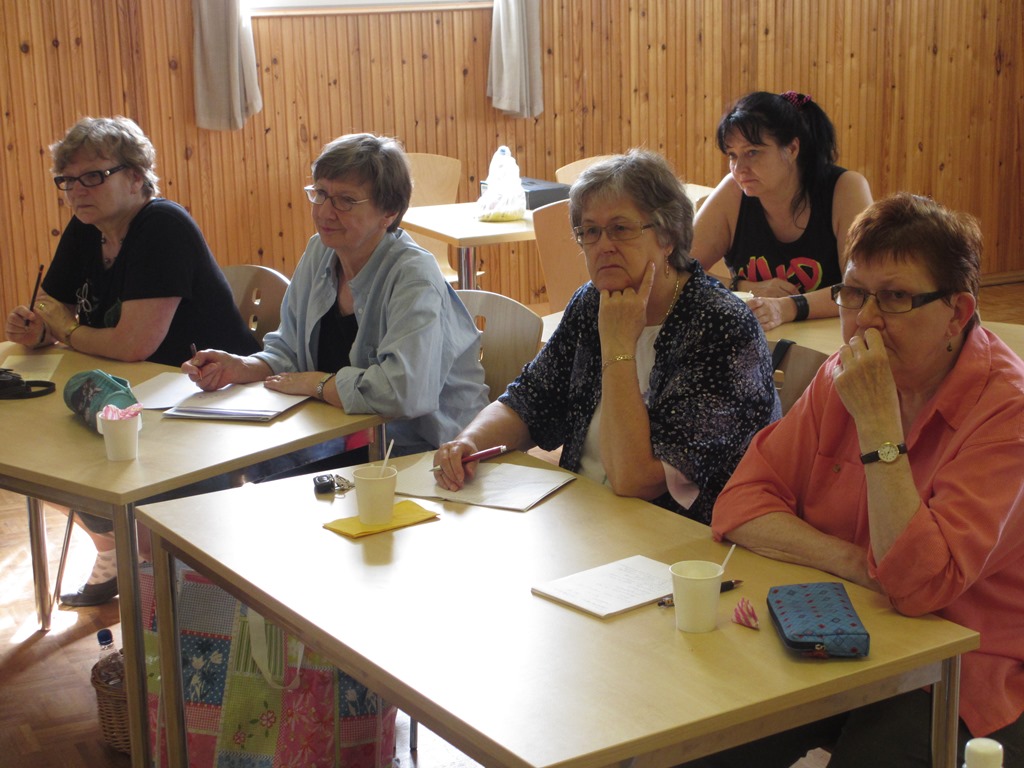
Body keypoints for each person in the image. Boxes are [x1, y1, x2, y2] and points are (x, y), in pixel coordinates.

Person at [702, 193, 1024, 767]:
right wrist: (859, 565)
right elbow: (741, 503)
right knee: (705, 734)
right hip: (834, 624)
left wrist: (879, 426)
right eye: (853, 293)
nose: (867, 319)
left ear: (957, 312)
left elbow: (919, 588)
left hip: (969, 668)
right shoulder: (842, 373)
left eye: (895, 297)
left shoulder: (1007, 413)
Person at [433, 150, 780, 525]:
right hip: (583, 516)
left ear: (667, 236)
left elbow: (636, 479)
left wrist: (618, 347)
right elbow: (528, 401)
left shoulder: (722, 327)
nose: (603, 245)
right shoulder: (592, 301)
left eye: (620, 229)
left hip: (676, 536)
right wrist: (469, 442)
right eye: (590, 232)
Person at [3, 116, 260, 607]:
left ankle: (156, 586)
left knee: (83, 462)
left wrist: (66, 330)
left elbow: (133, 345)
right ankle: (116, 551)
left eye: (93, 176)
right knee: (43, 455)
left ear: (137, 176)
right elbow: (52, 309)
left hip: (204, 398)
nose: (77, 190)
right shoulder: (87, 228)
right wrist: (38, 331)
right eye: (67, 180)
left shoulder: (163, 227)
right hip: (134, 393)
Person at [184, 132, 489, 457]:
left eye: (345, 201)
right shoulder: (320, 251)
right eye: (320, 194)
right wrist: (242, 366)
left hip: (427, 449)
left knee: (256, 468)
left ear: (388, 212)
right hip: (341, 430)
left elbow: (403, 393)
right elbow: (289, 352)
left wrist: (316, 383)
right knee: (217, 454)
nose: (325, 212)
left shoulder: (413, 276)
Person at [691, 90, 873, 331]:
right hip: (760, 340)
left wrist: (787, 307)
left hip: (832, 342)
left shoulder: (846, 188)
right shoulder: (733, 190)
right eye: (732, 155)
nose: (739, 168)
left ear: (792, 148)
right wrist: (742, 286)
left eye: (752, 152)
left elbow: (863, 290)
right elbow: (677, 271)